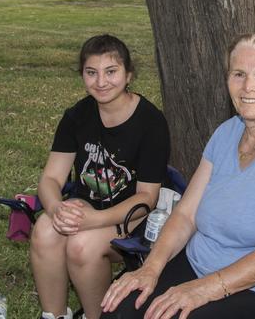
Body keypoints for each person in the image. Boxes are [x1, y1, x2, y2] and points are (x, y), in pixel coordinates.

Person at [100, 34, 255, 319]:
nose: (248, 87)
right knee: (119, 311)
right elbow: (186, 214)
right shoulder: (227, 132)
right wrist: (150, 268)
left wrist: (204, 289)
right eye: (239, 74)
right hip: (201, 262)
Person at [31, 35, 170, 319]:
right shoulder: (77, 116)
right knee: (45, 231)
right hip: (87, 207)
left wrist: (93, 221)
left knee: (82, 247)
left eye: (111, 72)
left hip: (133, 217)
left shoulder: (151, 122)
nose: (101, 82)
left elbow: (147, 197)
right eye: (91, 72)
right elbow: (50, 179)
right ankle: (55, 315)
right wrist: (56, 208)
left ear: (128, 74)